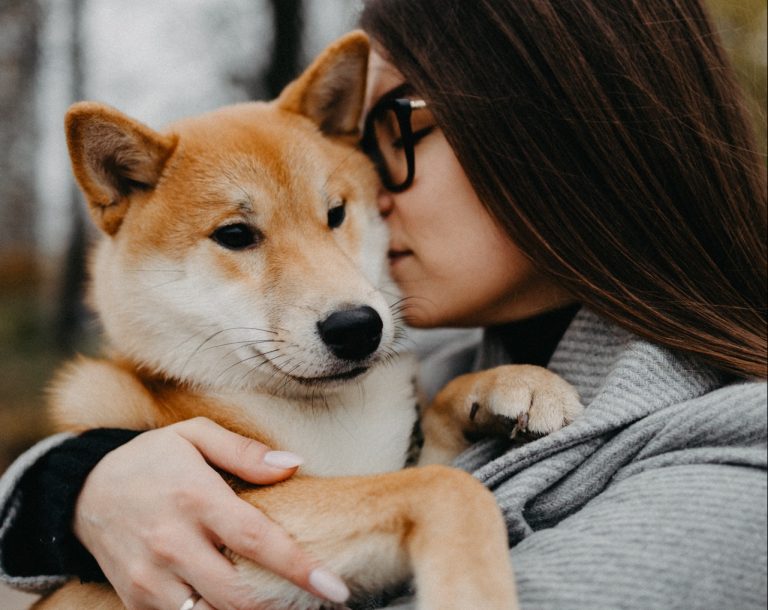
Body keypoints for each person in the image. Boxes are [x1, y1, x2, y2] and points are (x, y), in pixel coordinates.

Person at [1, 0, 766, 608]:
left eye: (394, 124)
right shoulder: (447, 367)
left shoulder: (730, 472)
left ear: (550, 127)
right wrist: (79, 487)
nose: (367, 177)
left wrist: (437, 505)